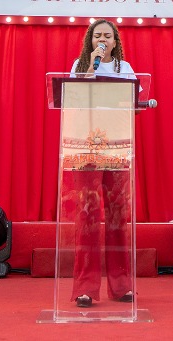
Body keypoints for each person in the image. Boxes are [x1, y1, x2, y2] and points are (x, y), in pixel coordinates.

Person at [67, 19, 137, 308]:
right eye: (98, 36)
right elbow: (71, 96)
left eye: (108, 36)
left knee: (118, 214)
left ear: (115, 41)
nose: (103, 40)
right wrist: (89, 67)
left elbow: (134, 98)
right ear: (90, 40)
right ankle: (85, 287)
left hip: (118, 144)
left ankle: (121, 286)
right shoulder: (79, 65)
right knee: (88, 214)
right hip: (86, 144)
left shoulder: (126, 68)